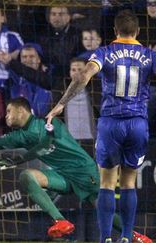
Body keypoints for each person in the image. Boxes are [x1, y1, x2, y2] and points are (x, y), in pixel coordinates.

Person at [0, 97, 152, 243]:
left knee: (102, 210)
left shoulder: (48, 123)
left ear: (22, 111)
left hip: (84, 172)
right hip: (63, 177)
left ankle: (136, 236)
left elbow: (45, 143)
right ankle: (60, 221)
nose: (6, 116)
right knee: (26, 177)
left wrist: (20, 158)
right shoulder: (20, 136)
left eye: (9, 112)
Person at [46, 10, 156, 243]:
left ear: (115, 31)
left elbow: (83, 76)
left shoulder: (104, 52)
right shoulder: (149, 55)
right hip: (137, 123)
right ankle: (126, 237)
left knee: (106, 183)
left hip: (110, 123)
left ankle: (106, 237)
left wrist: (61, 104)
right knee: (128, 182)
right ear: (137, 31)